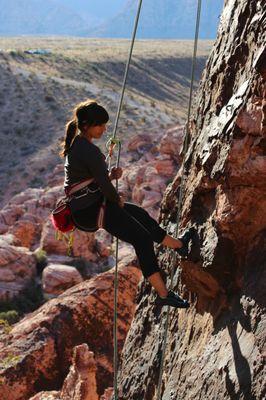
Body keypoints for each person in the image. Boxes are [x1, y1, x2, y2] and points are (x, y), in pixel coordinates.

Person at [60, 100, 194, 308]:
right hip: (92, 209)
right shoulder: (88, 150)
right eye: (100, 125)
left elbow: (91, 178)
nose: (104, 129)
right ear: (87, 126)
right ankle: (163, 294)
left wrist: (110, 175)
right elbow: (104, 185)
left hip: (89, 207)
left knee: (140, 216)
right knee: (141, 238)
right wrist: (116, 198)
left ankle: (179, 246)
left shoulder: (78, 144)